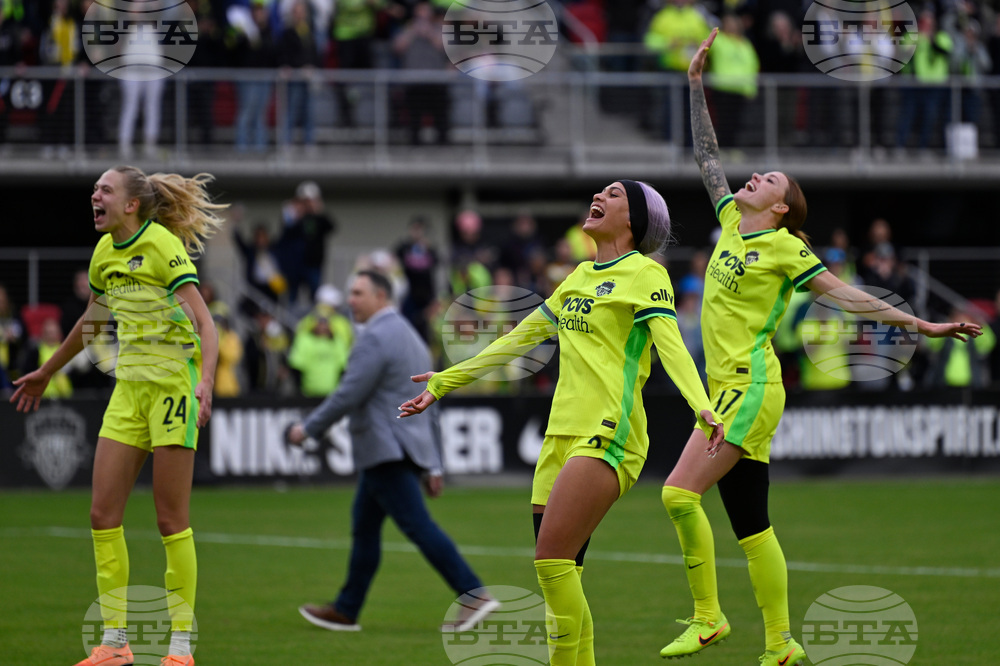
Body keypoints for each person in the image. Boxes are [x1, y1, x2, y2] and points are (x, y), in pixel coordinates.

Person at [656, 29, 983, 666]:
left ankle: (708, 617)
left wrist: (922, 327)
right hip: (733, 387)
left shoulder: (784, 247)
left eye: (770, 179)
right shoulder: (729, 220)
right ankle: (781, 644)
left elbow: (847, 294)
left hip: (748, 387)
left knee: (676, 495)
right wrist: (695, 85)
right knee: (753, 527)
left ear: (781, 209)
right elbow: (708, 159)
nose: (755, 177)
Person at [400, 180, 725, 665]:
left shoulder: (646, 275)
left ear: (633, 219)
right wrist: (446, 380)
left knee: (550, 561)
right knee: (562, 574)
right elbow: (519, 338)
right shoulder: (577, 276)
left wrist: (700, 403)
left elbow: (672, 344)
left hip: (610, 431)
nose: (600, 194)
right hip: (559, 437)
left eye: (614, 194)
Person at [10, 165, 226, 666]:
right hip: (128, 392)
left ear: (131, 204)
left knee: (171, 520)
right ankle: (115, 644)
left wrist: (206, 381)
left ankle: (179, 648)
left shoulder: (163, 247)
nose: (94, 195)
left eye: (104, 189)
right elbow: (92, 322)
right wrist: (46, 370)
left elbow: (205, 324)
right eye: (95, 189)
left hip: (172, 388)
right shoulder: (104, 253)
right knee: (102, 515)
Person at [285, 270, 499, 632]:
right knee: (365, 529)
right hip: (401, 449)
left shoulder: (375, 338)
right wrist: (434, 464)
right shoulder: (409, 335)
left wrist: (308, 429)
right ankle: (346, 609)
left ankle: (473, 593)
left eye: (357, 293)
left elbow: (348, 394)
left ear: (381, 296)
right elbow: (432, 397)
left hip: (386, 449)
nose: (350, 300)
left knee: (418, 527)